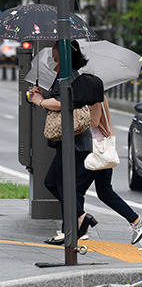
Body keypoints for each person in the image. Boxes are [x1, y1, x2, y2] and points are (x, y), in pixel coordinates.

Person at [29, 40, 97, 245]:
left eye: (56, 49)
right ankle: (78, 221)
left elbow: (61, 103)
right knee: (57, 182)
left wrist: (40, 101)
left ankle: (74, 226)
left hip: (73, 142)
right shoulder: (66, 75)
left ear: (65, 54)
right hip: (71, 141)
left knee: (61, 184)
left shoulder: (68, 76)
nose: (52, 52)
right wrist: (41, 94)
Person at [86, 95, 142, 245]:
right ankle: (136, 220)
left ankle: (77, 229)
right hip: (98, 148)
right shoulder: (95, 91)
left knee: (77, 190)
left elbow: (94, 121)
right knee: (104, 192)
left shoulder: (93, 92)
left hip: (97, 149)